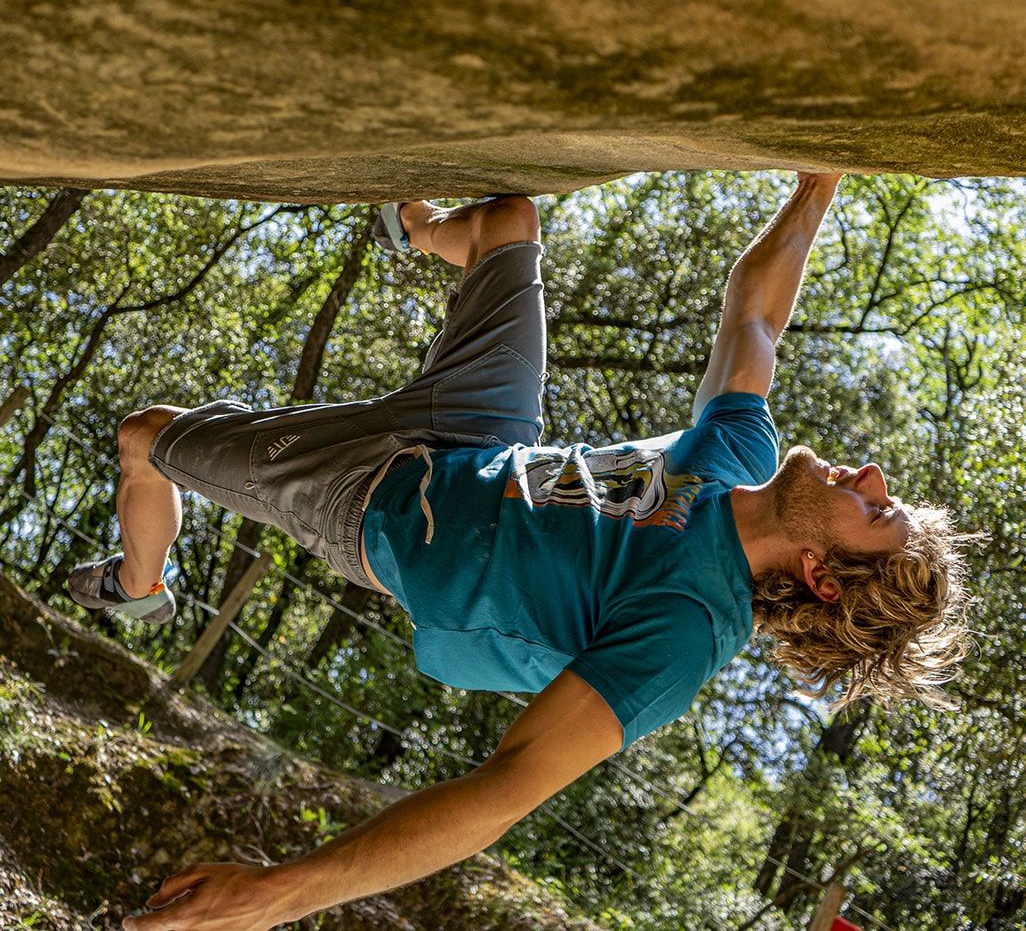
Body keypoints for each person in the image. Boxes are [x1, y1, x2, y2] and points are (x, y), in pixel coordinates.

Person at [68, 176, 971, 931]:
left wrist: (275, 894)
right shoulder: (740, 460)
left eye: (876, 512)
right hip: (473, 433)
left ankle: (141, 584)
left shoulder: (681, 634)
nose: (874, 475)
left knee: (145, 438)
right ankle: (418, 228)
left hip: (368, 503)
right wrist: (822, 179)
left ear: (819, 572)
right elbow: (758, 314)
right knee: (509, 218)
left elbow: (503, 792)